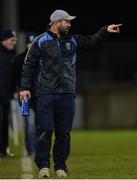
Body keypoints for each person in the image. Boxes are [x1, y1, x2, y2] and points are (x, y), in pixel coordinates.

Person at [19, 10, 122, 178]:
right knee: (44, 130)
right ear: (56, 22)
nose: (69, 24)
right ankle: (43, 166)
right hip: (46, 93)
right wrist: (24, 87)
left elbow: (93, 41)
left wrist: (105, 31)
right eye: (66, 21)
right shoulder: (40, 41)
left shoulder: (73, 41)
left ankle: (60, 166)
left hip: (67, 93)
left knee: (64, 133)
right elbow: (28, 66)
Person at [14, 32, 37, 156]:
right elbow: (15, 78)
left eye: (34, 43)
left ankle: (39, 149)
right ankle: (30, 150)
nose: (32, 45)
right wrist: (15, 91)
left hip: (39, 96)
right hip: (26, 98)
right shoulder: (20, 59)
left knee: (40, 125)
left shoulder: (41, 57)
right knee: (31, 124)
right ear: (26, 44)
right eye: (30, 43)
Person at [0, 29, 17, 157]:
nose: (14, 43)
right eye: (12, 40)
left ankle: (4, 149)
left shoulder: (11, 55)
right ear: (4, 40)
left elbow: (12, 77)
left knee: (5, 122)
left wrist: (14, 91)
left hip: (6, 95)